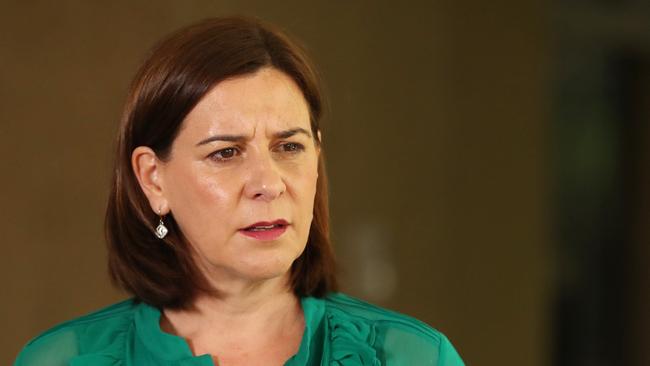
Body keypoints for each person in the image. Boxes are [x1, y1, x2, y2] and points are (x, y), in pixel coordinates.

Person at [14, 16, 464, 366]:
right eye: (226, 153)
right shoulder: (63, 359)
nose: (268, 184)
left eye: (289, 147)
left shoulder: (413, 356)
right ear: (153, 178)